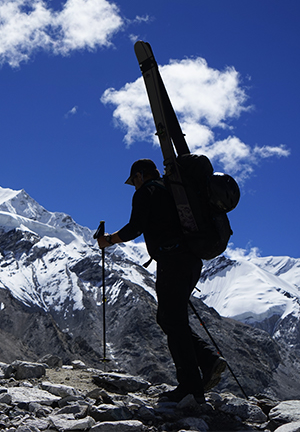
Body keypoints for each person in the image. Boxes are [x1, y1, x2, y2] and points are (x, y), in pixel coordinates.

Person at [96, 158, 226, 404]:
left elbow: (136, 227)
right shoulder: (174, 190)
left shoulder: (148, 191)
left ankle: (191, 387)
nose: (134, 186)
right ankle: (207, 362)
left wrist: (109, 240)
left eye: (133, 181)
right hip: (191, 261)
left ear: (139, 176)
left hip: (172, 261)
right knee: (172, 318)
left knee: (171, 320)